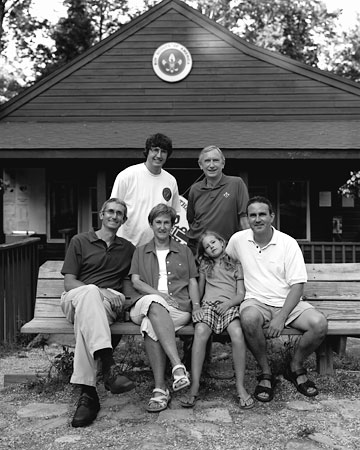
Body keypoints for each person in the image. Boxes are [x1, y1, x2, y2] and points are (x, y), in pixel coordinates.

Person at [226, 196, 328, 402]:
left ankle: (295, 366)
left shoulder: (288, 243)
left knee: (319, 324)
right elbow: (224, 262)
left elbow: (297, 286)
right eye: (252, 215)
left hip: (288, 302)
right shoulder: (238, 240)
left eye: (262, 214)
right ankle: (266, 372)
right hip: (256, 301)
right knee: (248, 318)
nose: (257, 219)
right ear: (247, 218)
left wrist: (281, 317)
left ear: (272, 216)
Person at [61, 198, 136, 427]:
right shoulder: (80, 241)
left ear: (124, 219)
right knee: (90, 293)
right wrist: (98, 290)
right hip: (77, 298)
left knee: (89, 316)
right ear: (101, 215)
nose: (114, 216)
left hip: (108, 305)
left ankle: (88, 395)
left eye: (119, 213)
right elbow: (69, 282)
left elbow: (135, 285)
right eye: (110, 212)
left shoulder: (128, 249)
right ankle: (108, 364)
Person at [129, 203, 200, 412]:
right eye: (158, 222)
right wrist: (160, 295)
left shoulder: (184, 251)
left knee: (149, 325)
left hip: (177, 308)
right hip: (143, 303)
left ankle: (160, 389)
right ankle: (178, 366)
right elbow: (136, 281)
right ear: (151, 225)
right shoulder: (141, 251)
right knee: (153, 304)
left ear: (172, 226)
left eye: (166, 222)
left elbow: (193, 281)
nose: (162, 226)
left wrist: (196, 306)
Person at [180, 231, 254, 409]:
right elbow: (200, 289)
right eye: (207, 246)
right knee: (200, 331)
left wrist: (228, 304)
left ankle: (240, 386)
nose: (211, 246)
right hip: (209, 306)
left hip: (230, 305)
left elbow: (241, 294)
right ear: (204, 252)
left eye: (213, 242)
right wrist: (197, 307)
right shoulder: (205, 266)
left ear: (222, 242)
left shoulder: (236, 265)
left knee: (237, 333)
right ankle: (195, 385)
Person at [111, 133, 181, 246]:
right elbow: (113, 211)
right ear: (147, 151)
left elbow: (173, 215)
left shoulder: (171, 181)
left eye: (163, 151)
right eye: (155, 150)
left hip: (157, 248)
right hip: (126, 246)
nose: (159, 155)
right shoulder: (127, 176)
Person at [186, 145, 250, 255]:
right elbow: (191, 220)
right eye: (207, 161)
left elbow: (244, 218)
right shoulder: (195, 189)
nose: (211, 165)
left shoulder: (236, 184)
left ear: (223, 163)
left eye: (215, 160)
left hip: (226, 249)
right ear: (201, 165)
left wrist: (249, 246)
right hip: (198, 250)